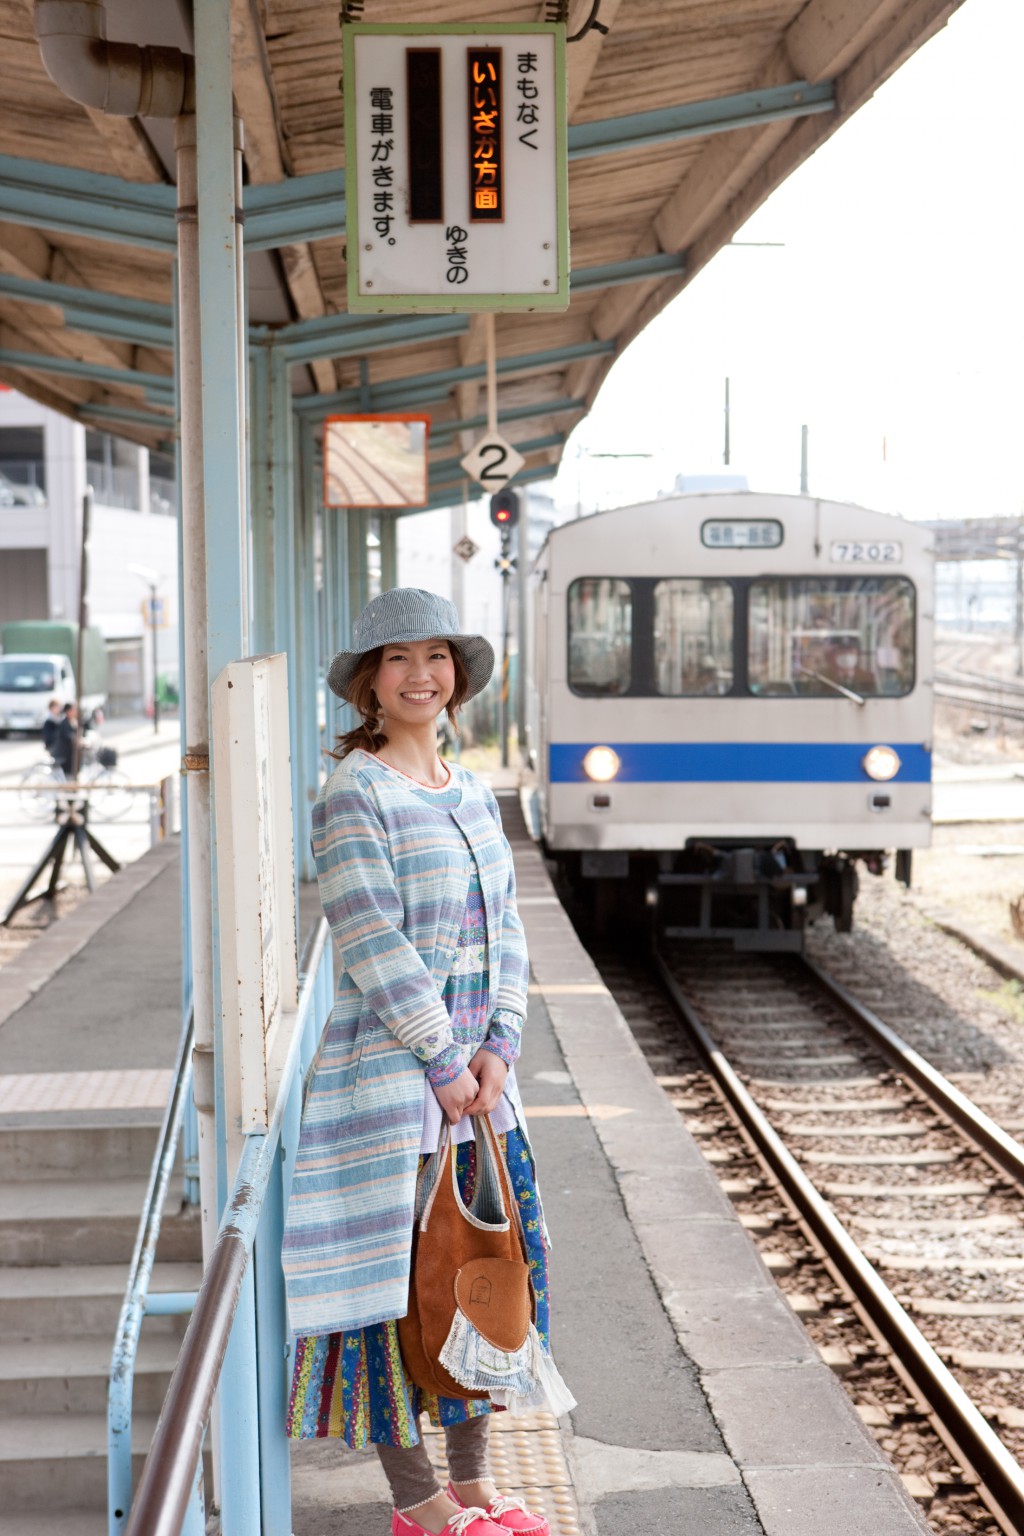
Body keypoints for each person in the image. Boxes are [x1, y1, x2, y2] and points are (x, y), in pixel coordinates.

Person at [283, 589, 564, 1536]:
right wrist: (444, 1057)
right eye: (396, 659)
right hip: (393, 1088)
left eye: (435, 656)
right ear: (368, 682)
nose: (419, 675)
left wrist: (499, 1047)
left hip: (481, 1088)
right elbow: (371, 938)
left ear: (458, 674)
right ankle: (418, 1499)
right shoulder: (354, 790)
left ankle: (477, 1482)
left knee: (478, 1275)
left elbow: (509, 930)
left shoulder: (474, 789)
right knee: (392, 1292)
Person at [51, 702, 77, 776]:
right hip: (64, 754)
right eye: (73, 710)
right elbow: (69, 736)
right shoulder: (64, 723)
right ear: (68, 711)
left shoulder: (73, 721)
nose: (75, 712)